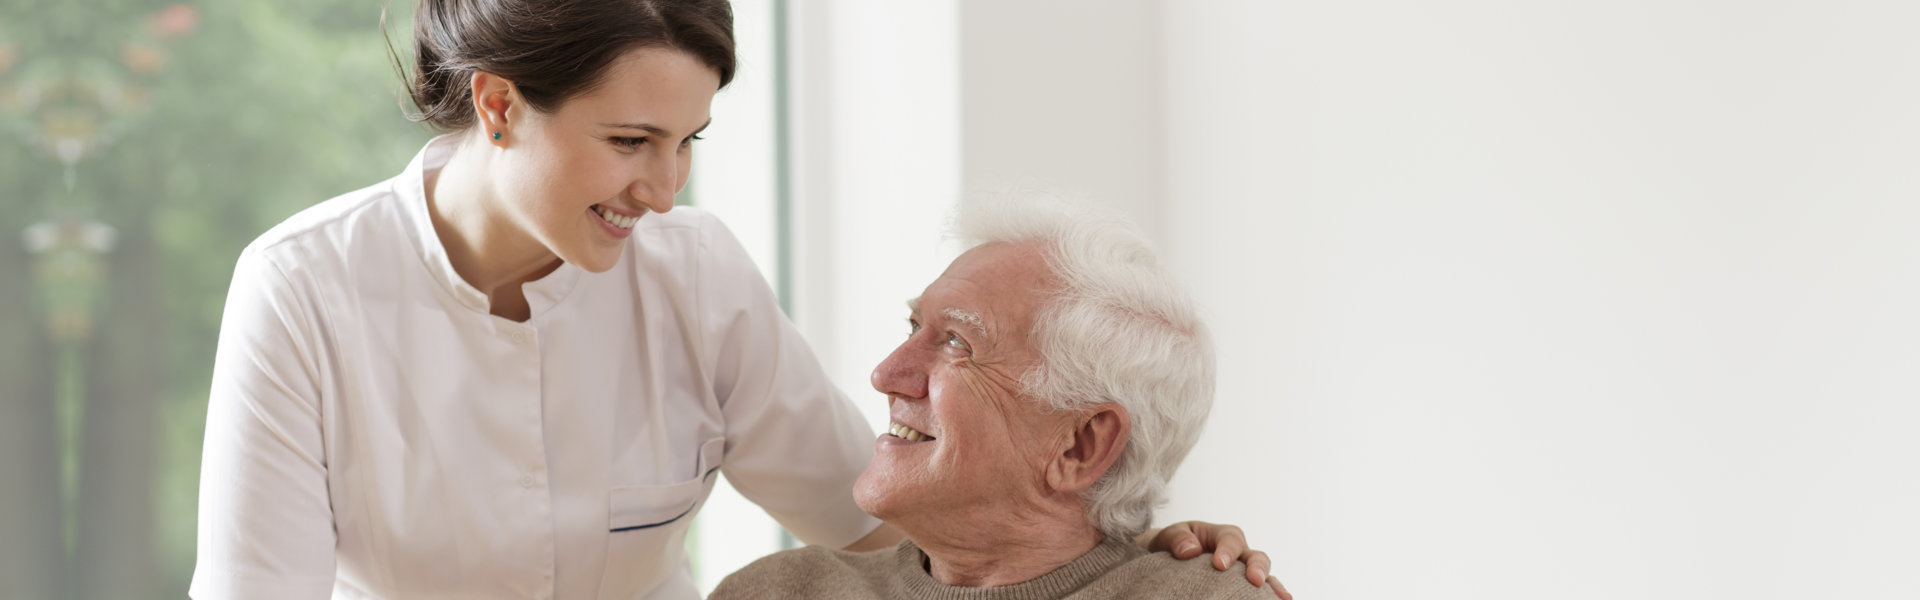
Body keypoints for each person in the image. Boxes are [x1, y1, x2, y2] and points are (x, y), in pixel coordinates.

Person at [190, 1, 1283, 599]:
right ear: (500, 104)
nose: (664, 192)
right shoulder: (304, 290)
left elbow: (888, 520)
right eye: (629, 143)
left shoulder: (692, 270)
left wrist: (1135, 549)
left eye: (688, 143)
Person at [711, 192, 1285, 599]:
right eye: (915, 329)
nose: (887, 374)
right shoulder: (775, 592)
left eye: (957, 342)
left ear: (1081, 446)